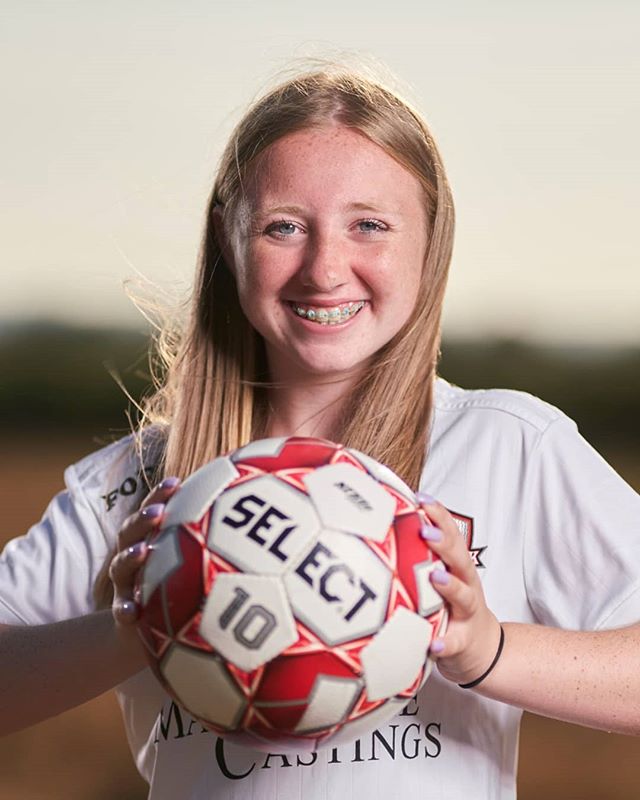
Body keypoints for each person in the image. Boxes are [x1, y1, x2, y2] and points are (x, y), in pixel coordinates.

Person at [1, 66, 639, 800]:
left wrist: (488, 649)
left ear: (431, 241)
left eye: (369, 224)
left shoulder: (508, 446)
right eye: (284, 226)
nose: (325, 267)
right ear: (227, 237)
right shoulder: (136, 485)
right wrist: (124, 632)